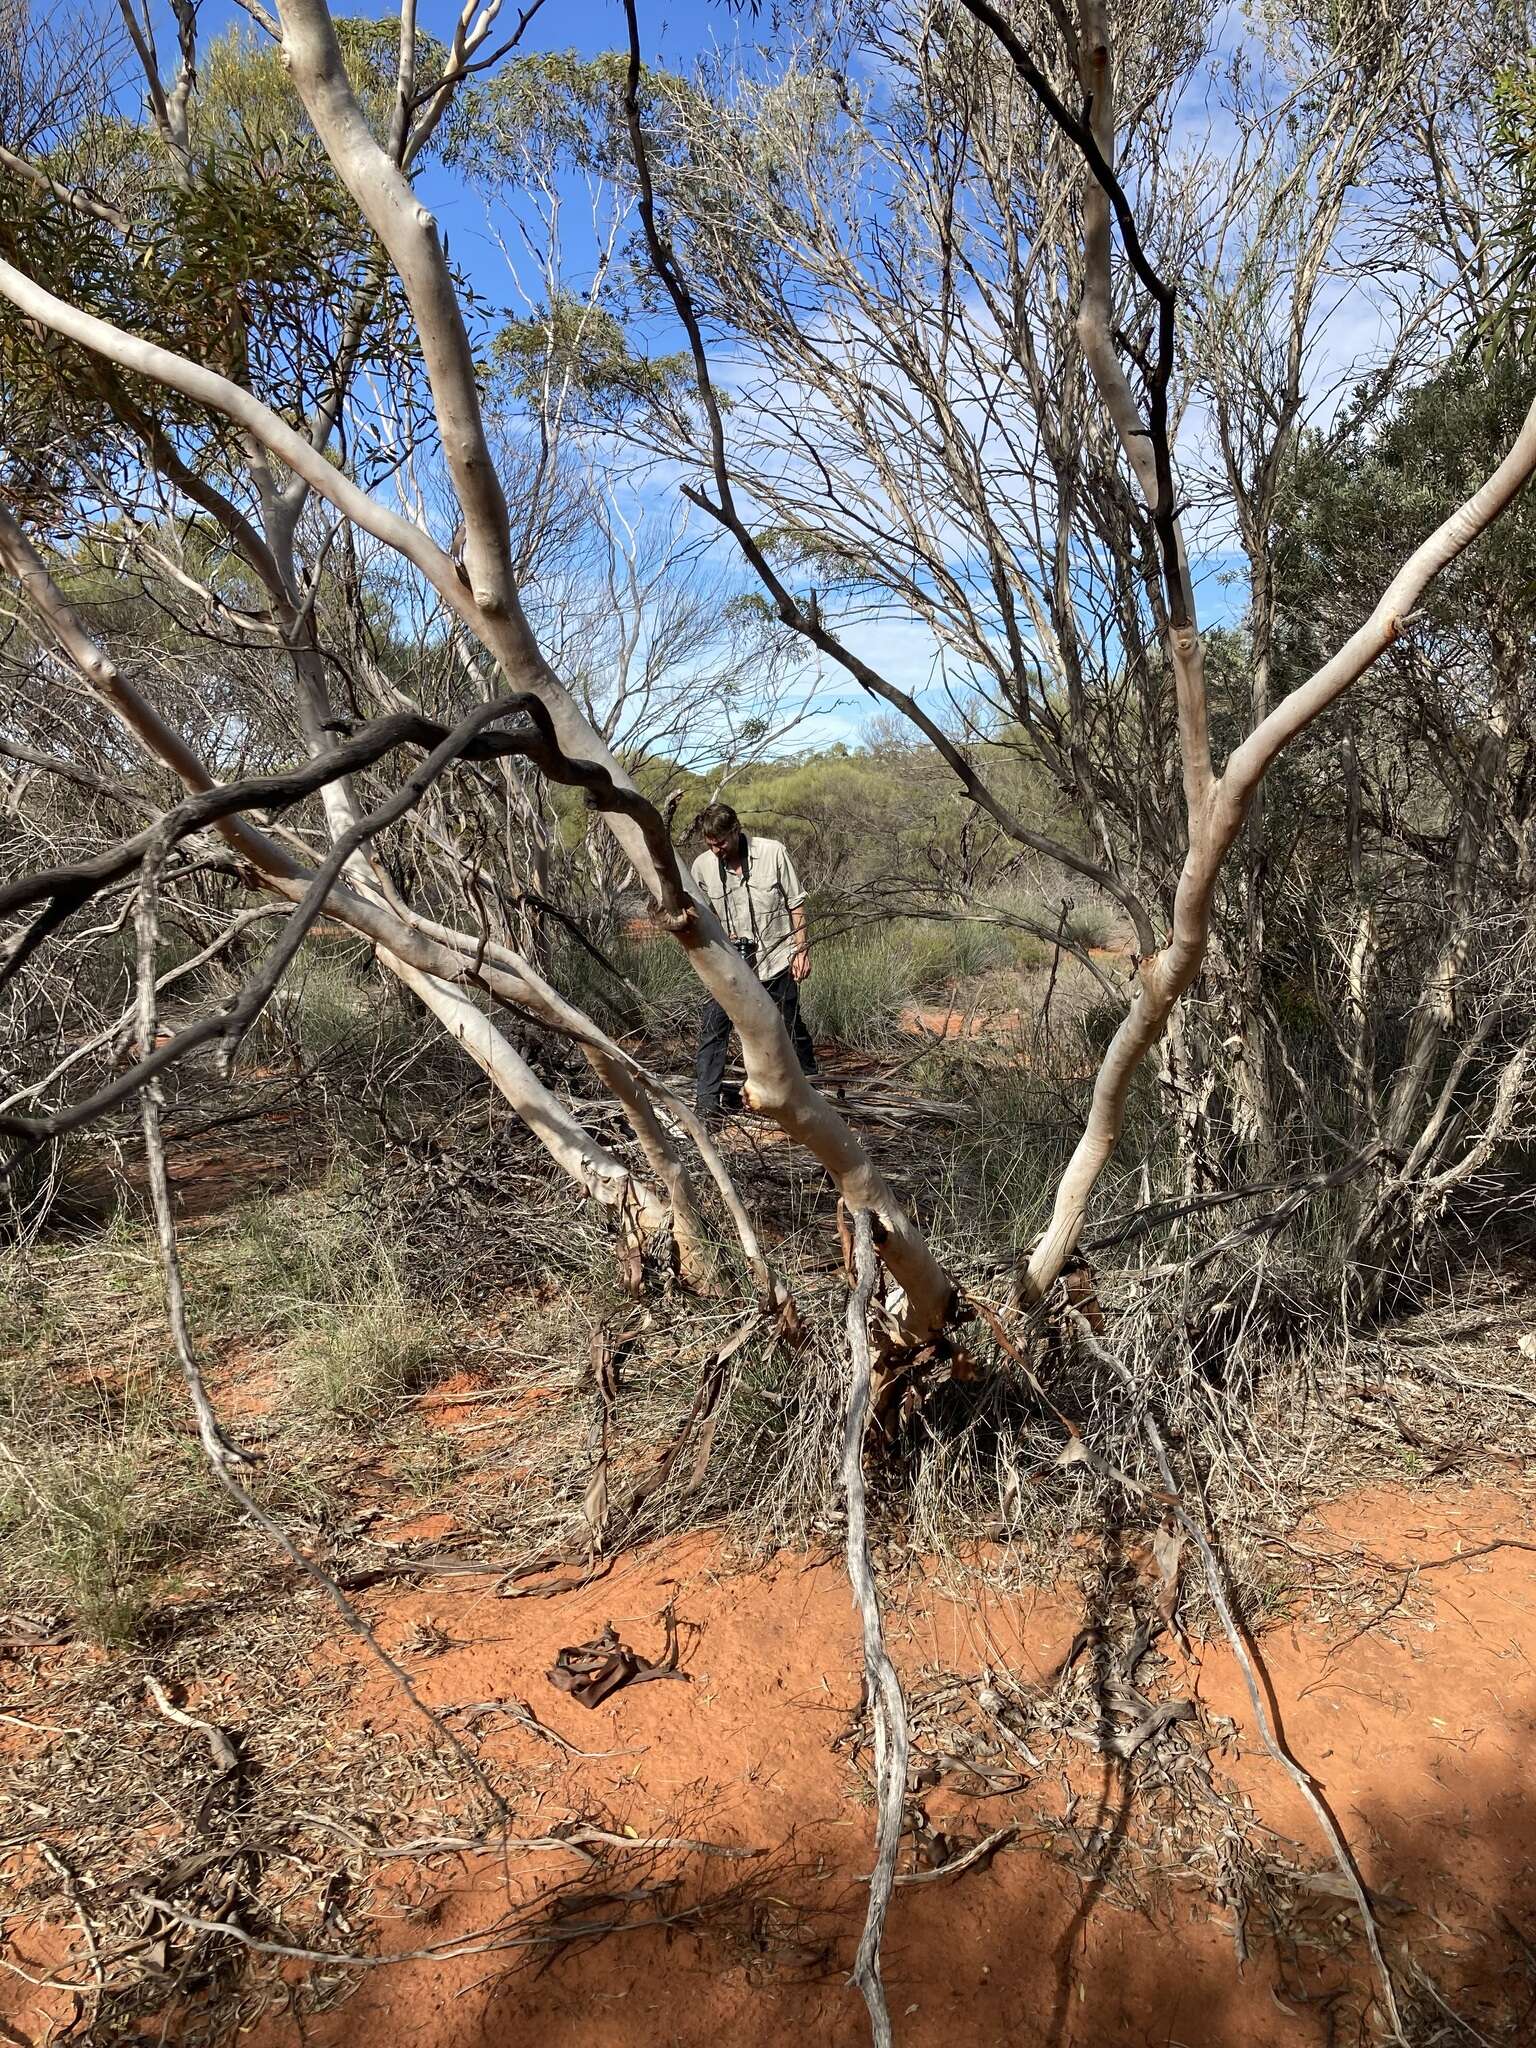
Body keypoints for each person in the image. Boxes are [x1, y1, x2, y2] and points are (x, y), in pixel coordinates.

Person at [690, 802, 817, 1118]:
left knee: (789, 1027)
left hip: (776, 959)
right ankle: (706, 1107)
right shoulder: (702, 866)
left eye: (721, 842)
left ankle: (814, 1090)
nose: (717, 850)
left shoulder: (773, 853)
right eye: (710, 844)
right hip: (730, 967)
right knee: (713, 1028)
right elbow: (701, 914)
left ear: (736, 830)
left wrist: (801, 950)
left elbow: (796, 904)